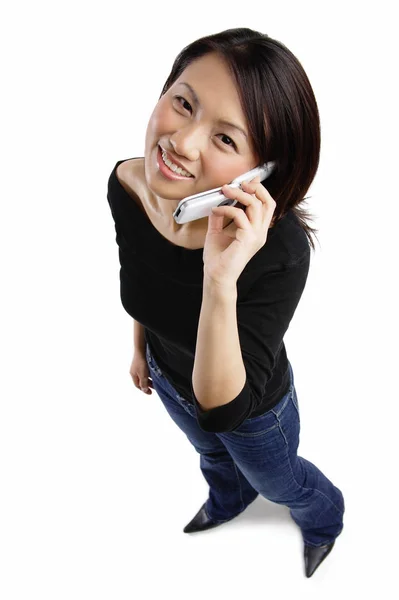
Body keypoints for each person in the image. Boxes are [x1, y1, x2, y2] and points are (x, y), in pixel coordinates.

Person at [107, 27, 345, 578]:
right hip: (170, 377)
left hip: (253, 412)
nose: (182, 143)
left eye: (225, 140)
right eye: (183, 104)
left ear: (262, 173)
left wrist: (221, 276)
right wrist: (141, 351)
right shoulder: (127, 185)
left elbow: (224, 410)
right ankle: (227, 500)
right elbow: (137, 276)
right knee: (212, 457)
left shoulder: (279, 251)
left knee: (281, 481)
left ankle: (324, 519)